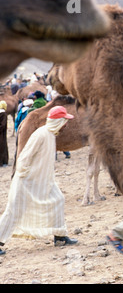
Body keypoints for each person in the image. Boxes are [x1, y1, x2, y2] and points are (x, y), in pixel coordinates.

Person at [0, 106, 78, 256]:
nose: (66, 125)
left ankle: (60, 236)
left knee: (58, 200)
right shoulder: (41, 135)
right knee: (13, 211)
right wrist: (24, 177)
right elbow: (24, 157)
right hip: (26, 182)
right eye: (65, 121)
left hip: (43, 182)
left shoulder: (50, 135)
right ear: (58, 122)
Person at [0, 101, 8, 167]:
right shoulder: (4, 114)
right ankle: (3, 162)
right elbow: (3, 125)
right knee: (2, 146)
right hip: (1, 133)